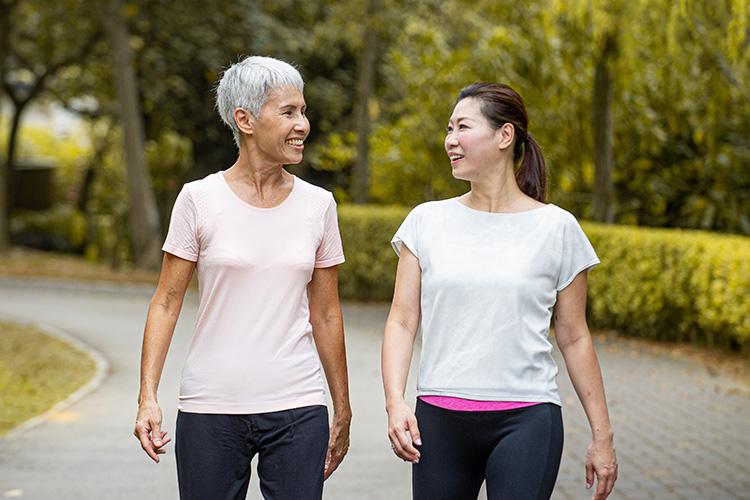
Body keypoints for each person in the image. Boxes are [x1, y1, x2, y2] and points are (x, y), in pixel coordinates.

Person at [381, 82, 617, 500]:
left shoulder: (558, 228)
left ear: (504, 136)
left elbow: (574, 335)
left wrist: (602, 437)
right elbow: (402, 320)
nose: (450, 140)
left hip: (528, 418)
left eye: (462, 127)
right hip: (438, 418)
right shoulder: (426, 221)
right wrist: (395, 402)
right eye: (448, 129)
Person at [133, 56, 352, 500]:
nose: (303, 125)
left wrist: (342, 407)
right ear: (245, 119)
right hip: (211, 404)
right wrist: (148, 396)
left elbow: (326, 312)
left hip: (297, 403)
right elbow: (166, 301)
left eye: (303, 111)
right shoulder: (198, 199)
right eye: (288, 112)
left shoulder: (319, 206)